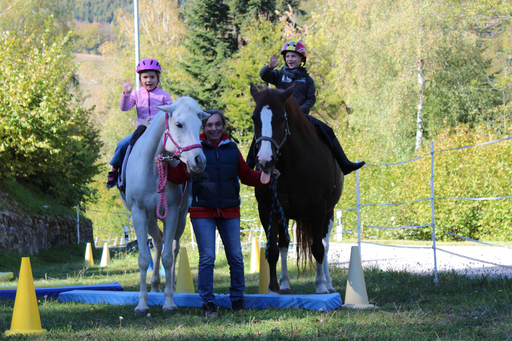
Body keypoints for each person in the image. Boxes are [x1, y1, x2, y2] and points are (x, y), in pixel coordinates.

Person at [189, 110, 279, 317]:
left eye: (217, 124)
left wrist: (267, 174)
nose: (214, 128)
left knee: (236, 257)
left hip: (230, 210)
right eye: (209, 125)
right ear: (204, 127)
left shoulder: (232, 148)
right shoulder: (195, 148)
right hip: (202, 210)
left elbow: (247, 175)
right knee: (207, 258)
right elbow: (179, 176)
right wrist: (165, 164)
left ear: (223, 126)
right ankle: (208, 303)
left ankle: (238, 299)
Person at [247, 40, 365, 175]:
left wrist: (300, 111)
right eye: (287, 56)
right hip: (280, 116)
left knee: (327, 130)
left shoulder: (307, 79)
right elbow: (264, 76)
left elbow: (311, 99)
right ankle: (248, 165)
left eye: (294, 56)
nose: (290, 59)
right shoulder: (279, 74)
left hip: (302, 116)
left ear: (302, 58)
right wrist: (269, 67)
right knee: (263, 134)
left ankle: (345, 164)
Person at [106, 58, 173, 188]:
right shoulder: (136, 94)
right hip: (142, 130)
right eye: (145, 77)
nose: (149, 80)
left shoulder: (164, 95)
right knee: (122, 144)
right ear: (140, 80)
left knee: (178, 147)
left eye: (152, 77)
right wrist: (126, 93)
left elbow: (171, 112)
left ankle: (188, 175)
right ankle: (115, 170)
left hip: (160, 131)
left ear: (158, 78)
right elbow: (124, 108)